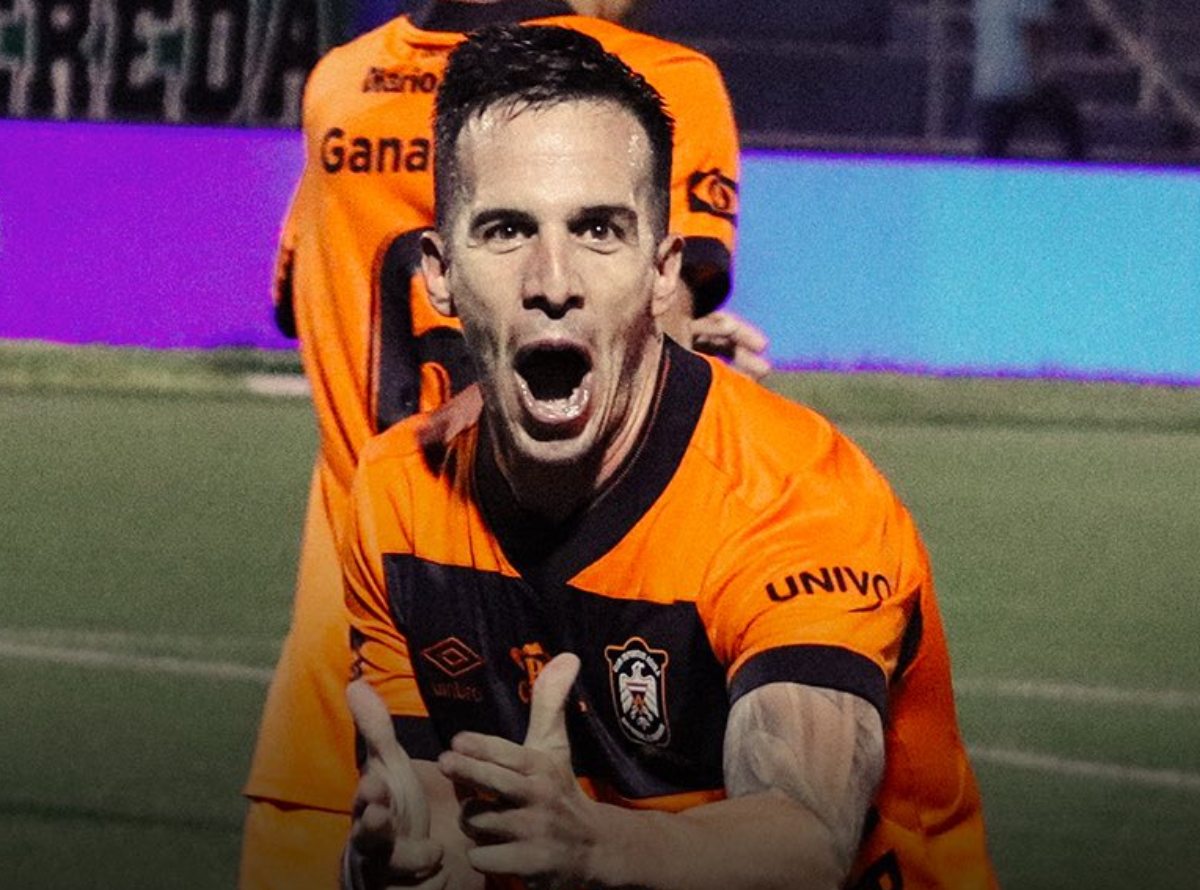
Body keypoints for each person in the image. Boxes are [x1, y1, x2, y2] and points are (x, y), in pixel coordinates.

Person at [341, 23, 997, 890]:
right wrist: (397, 856)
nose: (552, 282)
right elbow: (433, 812)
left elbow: (807, 839)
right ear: (438, 273)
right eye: (505, 230)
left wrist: (599, 848)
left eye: (597, 230)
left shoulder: (794, 499)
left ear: (661, 272)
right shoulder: (398, 499)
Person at [240, 2, 765, 887]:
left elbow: (302, 298)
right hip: (554, 655)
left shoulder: (341, 84)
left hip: (346, 668)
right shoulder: (660, 84)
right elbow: (658, 329)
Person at [972, 0, 1087, 160]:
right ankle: (1077, 166)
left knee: (993, 143)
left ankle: (987, 170)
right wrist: (1042, 72)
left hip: (990, 78)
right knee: (1069, 123)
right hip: (1021, 76)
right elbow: (1033, 33)